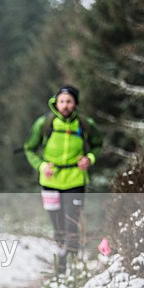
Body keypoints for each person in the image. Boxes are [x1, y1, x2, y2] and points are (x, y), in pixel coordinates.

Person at [24, 85, 102, 275]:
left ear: (75, 104)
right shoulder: (45, 123)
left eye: (69, 101)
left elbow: (97, 145)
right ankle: (61, 261)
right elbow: (29, 148)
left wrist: (89, 159)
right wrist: (42, 166)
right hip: (50, 181)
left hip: (75, 179)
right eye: (62, 101)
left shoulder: (85, 124)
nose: (65, 105)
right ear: (56, 102)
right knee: (57, 222)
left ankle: (72, 263)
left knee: (71, 222)